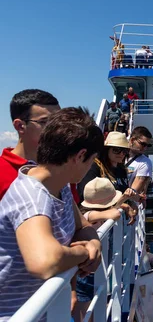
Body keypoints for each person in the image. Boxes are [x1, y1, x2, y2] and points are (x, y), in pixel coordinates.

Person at [0, 107, 103, 320]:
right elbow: (44, 261)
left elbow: (82, 226)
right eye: (91, 160)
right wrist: (84, 253)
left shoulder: (59, 185)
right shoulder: (32, 195)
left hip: (50, 310)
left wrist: (94, 243)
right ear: (80, 156)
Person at [72, 177, 127, 322]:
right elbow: (113, 214)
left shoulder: (84, 213)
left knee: (89, 311)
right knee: (86, 313)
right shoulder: (89, 216)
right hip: (86, 273)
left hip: (89, 270)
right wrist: (119, 206)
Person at [0, 89, 60, 200]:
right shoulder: (2, 173)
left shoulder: (61, 169)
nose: (57, 129)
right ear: (19, 126)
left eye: (59, 122)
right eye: (45, 122)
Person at [127, 126, 153, 199]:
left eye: (148, 146)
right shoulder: (118, 154)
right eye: (143, 144)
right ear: (132, 140)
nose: (145, 148)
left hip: (127, 205)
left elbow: (133, 192)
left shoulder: (145, 163)